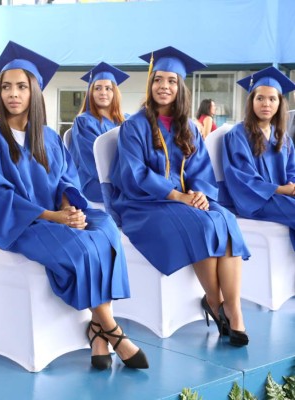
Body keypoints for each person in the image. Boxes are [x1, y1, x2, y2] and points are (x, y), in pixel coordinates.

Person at [0, 41, 148, 370]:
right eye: (6, 87)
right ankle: (109, 327)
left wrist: (71, 208)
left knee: (105, 228)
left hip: (55, 215)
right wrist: (55, 216)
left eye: (21, 87)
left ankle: (98, 329)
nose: (13, 94)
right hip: (14, 225)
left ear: (34, 92)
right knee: (81, 247)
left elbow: (67, 178)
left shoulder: (48, 136)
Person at [108, 46, 250, 347]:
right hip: (144, 204)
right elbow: (134, 175)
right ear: (151, 83)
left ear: (180, 86)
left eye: (171, 81)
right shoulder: (134, 126)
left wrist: (198, 193)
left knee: (224, 218)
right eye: (158, 80)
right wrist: (177, 195)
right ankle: (214, 301)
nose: (164, 86)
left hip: (185, 200)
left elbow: (200, 169)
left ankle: (233, 309)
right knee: (202, 224)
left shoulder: (189, 127)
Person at [222, 66, 295, 251]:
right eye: (260, 98)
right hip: (254, 201)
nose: (266, 104)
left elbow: (292, 170)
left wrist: (292, 187)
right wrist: (282, 190)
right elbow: (243, 179)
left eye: (272, 99)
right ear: (251, 101)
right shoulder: (237, 135)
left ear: (280, 103)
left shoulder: (282, 137)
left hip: (280, 197)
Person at [70, 62, 129, 203]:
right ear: (91, 92)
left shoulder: (127, 120)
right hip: (96, 183)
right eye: (98, 88)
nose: (103, 92)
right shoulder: (83, 122)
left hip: (125, 177)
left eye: (108, 88)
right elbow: (93, 164)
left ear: (115, 92)